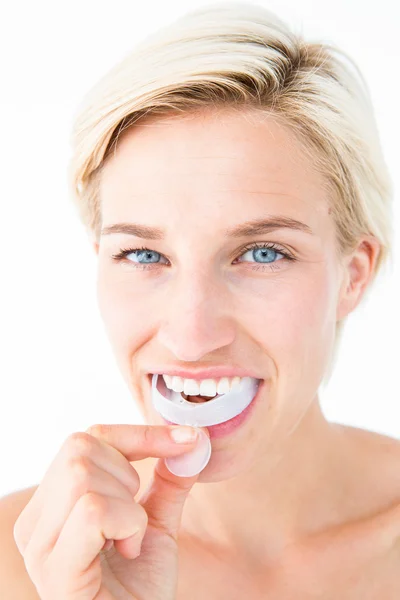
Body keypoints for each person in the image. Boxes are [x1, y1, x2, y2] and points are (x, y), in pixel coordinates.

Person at [1, 2, 399, 598]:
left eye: (262, 253)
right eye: (143, 256)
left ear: (354, 274)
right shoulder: (22, 564)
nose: (191, 337)